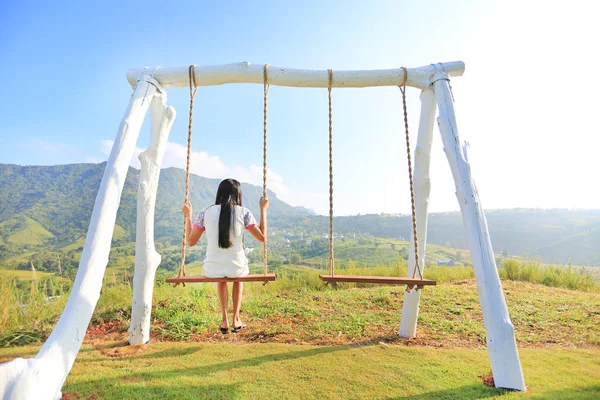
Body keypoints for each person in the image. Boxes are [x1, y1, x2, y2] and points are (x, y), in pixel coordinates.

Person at [182, 178, 269, 334]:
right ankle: (236, 319)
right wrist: (263, 209)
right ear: (238, 195)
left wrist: (188, 215)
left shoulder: (205, 212)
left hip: (212, 268)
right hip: (237, 268)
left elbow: (191, 241)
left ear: (219, 193)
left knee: (221, 278)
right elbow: (262, 237)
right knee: (237, 277)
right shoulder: (244, 213)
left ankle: (224, 320)